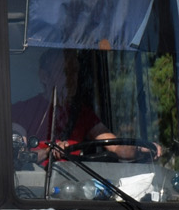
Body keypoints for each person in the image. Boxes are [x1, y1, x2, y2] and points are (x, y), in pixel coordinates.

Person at [12, 49, 153, 159]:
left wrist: (140, 148)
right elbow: (18, 158)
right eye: (66, 72)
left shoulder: (82, 114)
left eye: (75, 72)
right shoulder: (21, 112)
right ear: (44, 76)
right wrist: (49, 152)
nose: (72, 79)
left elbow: (116, 147)